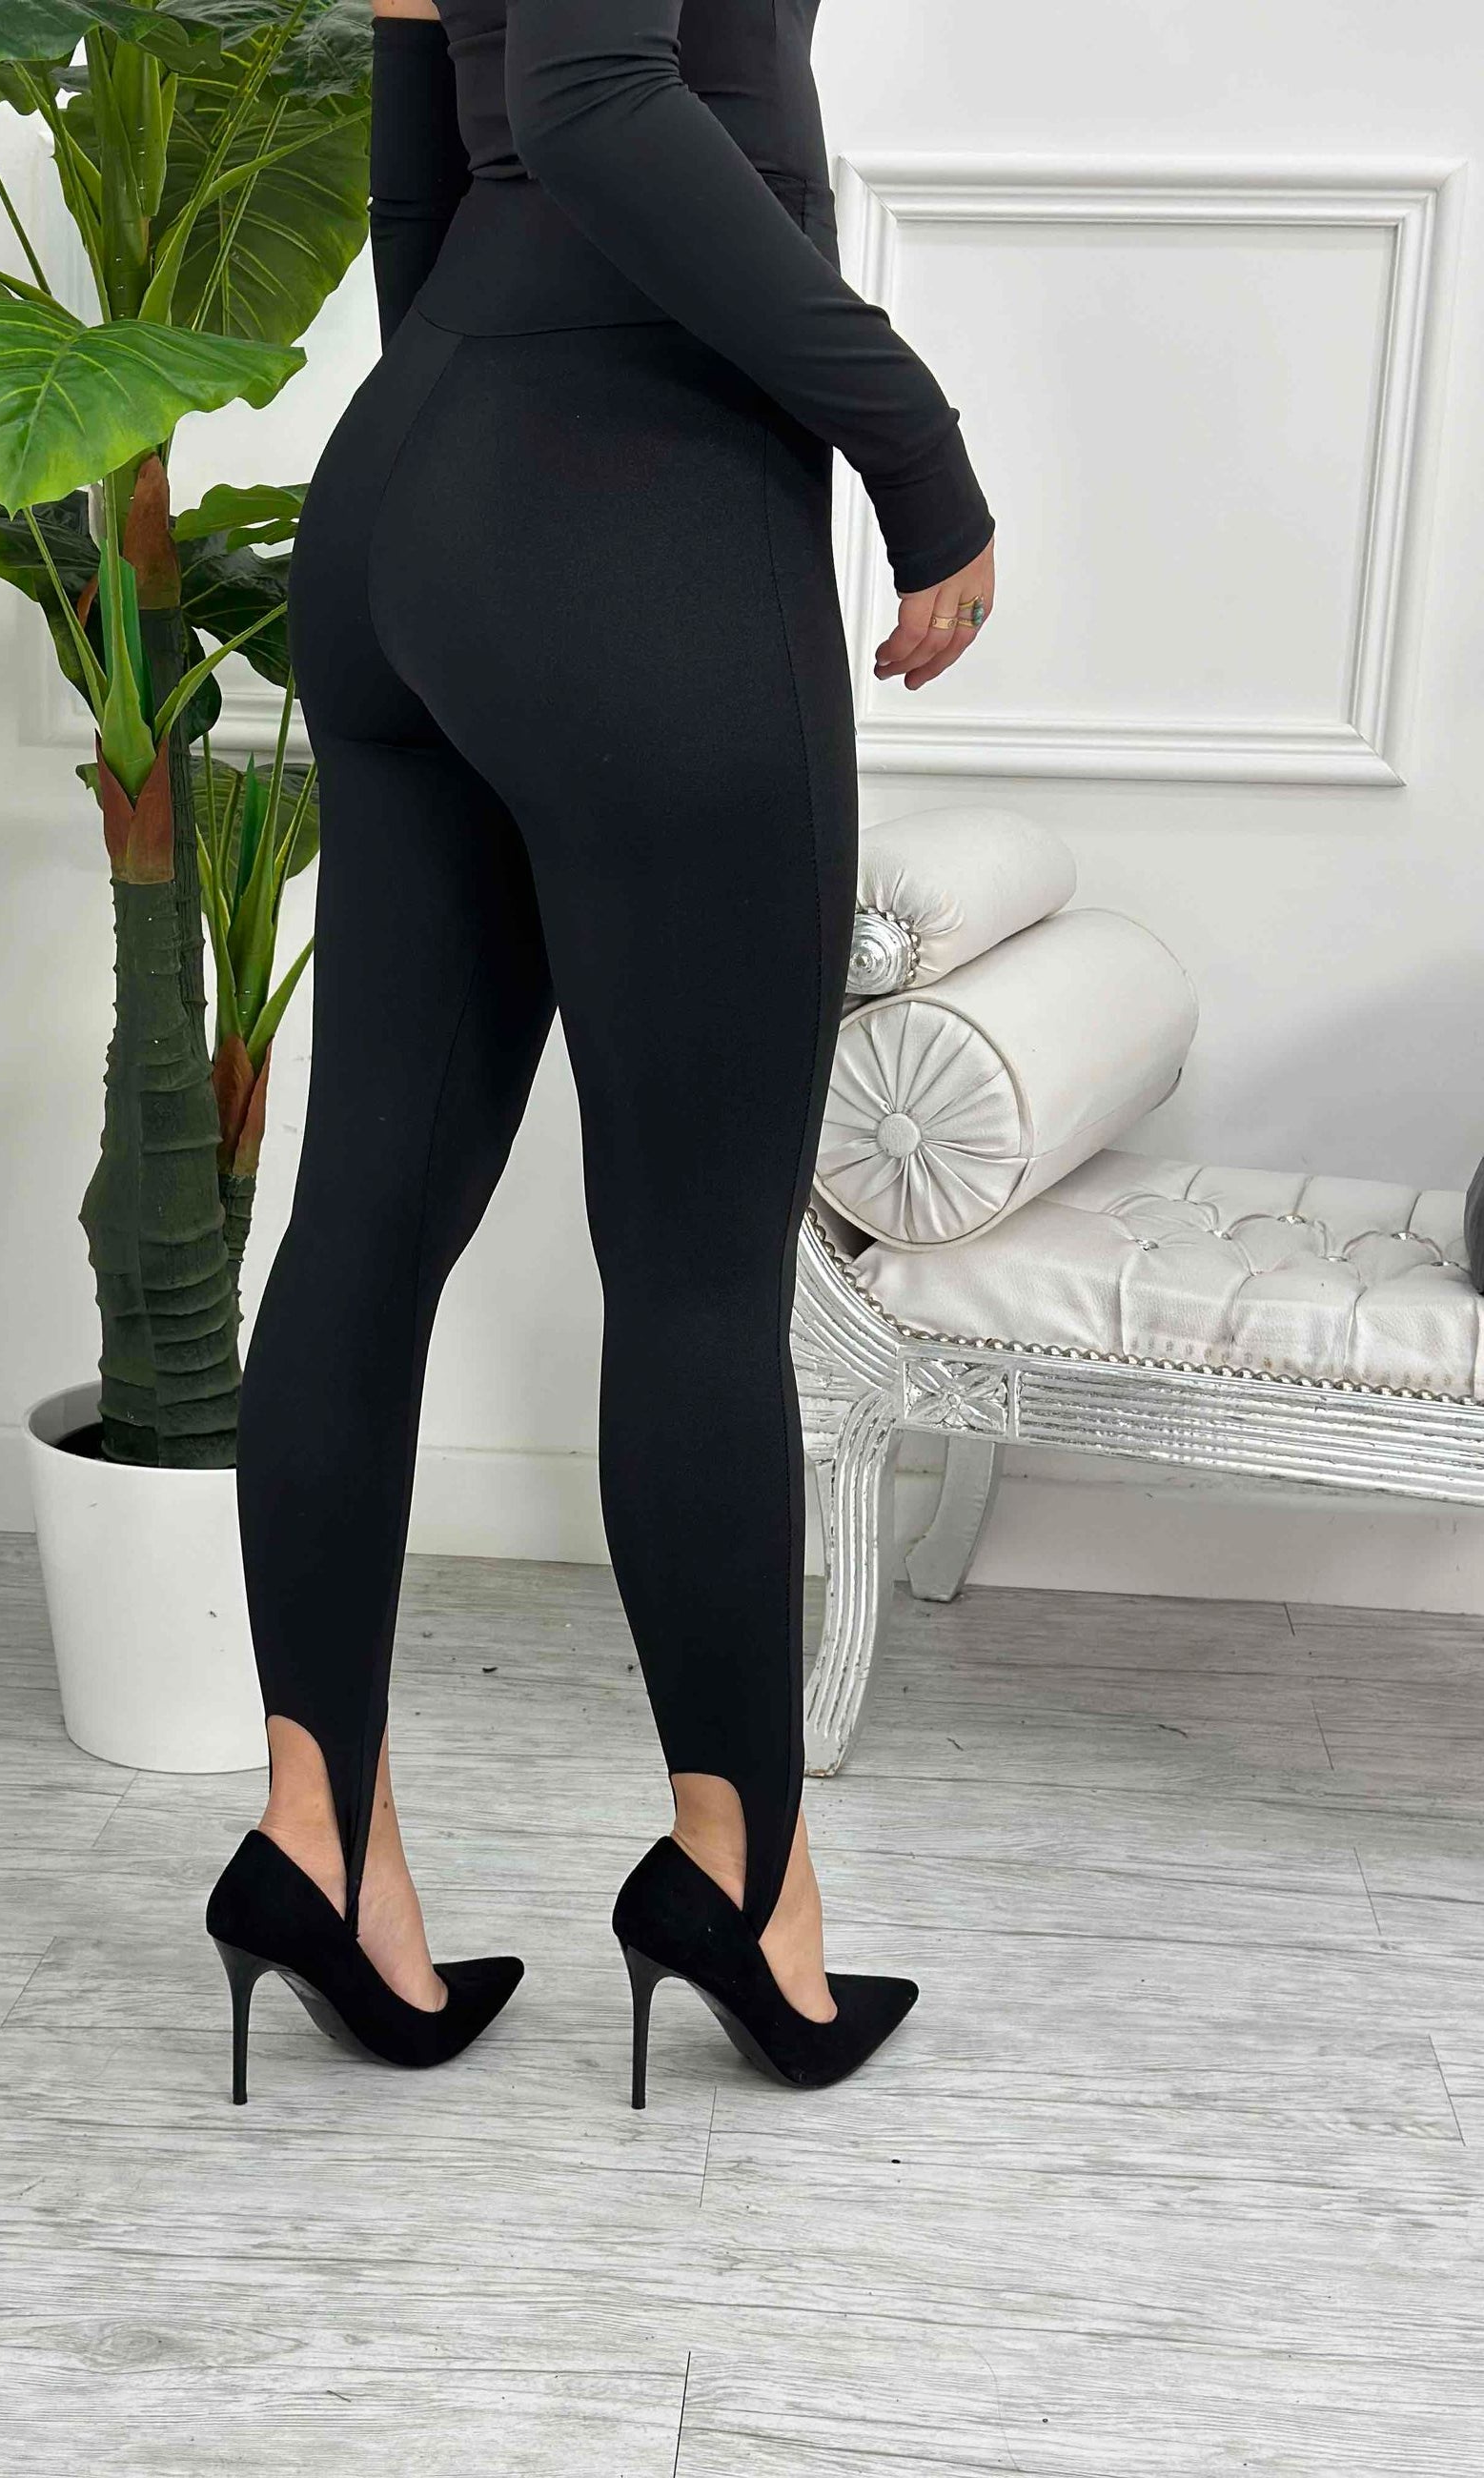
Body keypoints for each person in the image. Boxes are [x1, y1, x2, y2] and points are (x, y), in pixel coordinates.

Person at [206, 0, 995, 2107]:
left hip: (417, 476)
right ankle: (742, 1892)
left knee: (365, 1220)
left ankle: (314, 1842)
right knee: (697, 1264)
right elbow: (589, 94)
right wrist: (912, 445)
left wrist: (472, 507)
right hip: (646, 511)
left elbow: (429, 128)